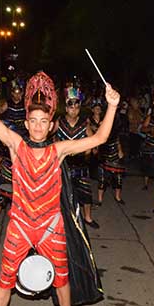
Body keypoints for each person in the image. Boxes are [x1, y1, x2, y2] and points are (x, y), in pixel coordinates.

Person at [0, 57, 119, 306]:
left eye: (44, 121)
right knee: (5, 278)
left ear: (51, 124)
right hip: (19, 224)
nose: (38, 126)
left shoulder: (59, 150)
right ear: (26, 122)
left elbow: (102, 137)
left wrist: (113, 105)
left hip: (51, 225)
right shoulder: (16, 145)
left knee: (62, 277)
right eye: (33, 121)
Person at [54, 86, 98, 228]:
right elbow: (49, 138)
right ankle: (58, 220)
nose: (74, 110)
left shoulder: (84, 123)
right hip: (62, 164)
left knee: (85, 192)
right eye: (71, 107)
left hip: (80, 163)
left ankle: (88, 218)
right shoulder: (59, 122)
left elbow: (92, 141)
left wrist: (88, 152)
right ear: (66, 108)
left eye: (77, 107)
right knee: (60, 194)